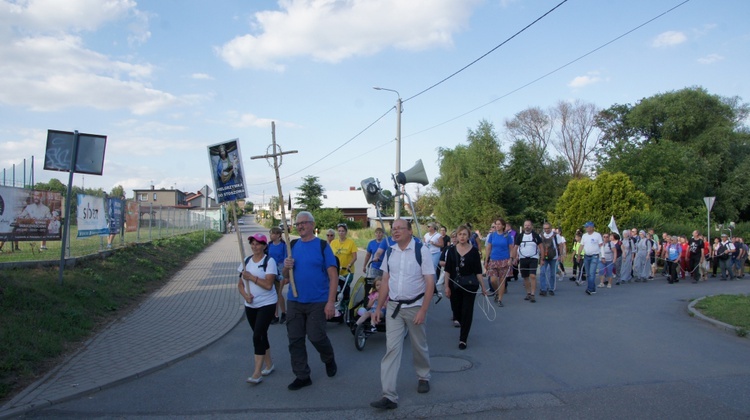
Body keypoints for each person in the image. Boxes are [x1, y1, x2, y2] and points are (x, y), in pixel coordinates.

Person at [370, 219, 435, 410]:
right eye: (393, 229)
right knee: (392, 349)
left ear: (409, 231)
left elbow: (429, 282)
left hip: (415, 306)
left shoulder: (420, 250)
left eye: (400, 228)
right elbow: (386, 281)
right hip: (394, 308)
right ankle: (389, 395)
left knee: (419, 345)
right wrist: (377, 308)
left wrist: (423, 310)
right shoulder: (390, 251)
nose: (395, 231)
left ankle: (423, 376)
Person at [282, 212, 338, 391]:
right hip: (295, 300)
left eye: (303, 223)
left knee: (316, 336)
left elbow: (333, 276)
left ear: (312, 224)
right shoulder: (292, 245)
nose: (300, 226)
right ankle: (302, 375)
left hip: (318, 301)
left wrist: (331, 302)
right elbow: (284, 276)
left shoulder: (322, 246)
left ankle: (328, 358)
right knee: (295, 340)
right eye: (297, 224)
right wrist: (286, 267)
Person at [237, 233, 278, 384]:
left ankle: (257, 373)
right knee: (261, 335)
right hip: (251, 305)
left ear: (264, 246)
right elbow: (240, 284)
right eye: (253, 243)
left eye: (258, 244)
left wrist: (252, 278)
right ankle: (269, 364)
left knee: (257, 336)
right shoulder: (246, 261)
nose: (255, 246)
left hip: (267, 304)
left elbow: (268, 285)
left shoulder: (270, 261)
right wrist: (245, 296)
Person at [445, 225, 487, 349]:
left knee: (467, 311)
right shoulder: (451, 250)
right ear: (456, 236)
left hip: (470, 285)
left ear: (468, 236)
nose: (462, 237)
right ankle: (462, 322)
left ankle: (463, 339)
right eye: (460, 234)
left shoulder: (473, 251)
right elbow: (447, 270)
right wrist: (446, 286)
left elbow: (478, 271)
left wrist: (483, 287)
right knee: (457, 311)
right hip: (455, 285)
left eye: (464, 234)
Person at [512, 220, 543, 303]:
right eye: (525, 225)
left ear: (531, 226)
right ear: (524, 226)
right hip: (523, 258)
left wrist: (542, 258)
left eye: (528, 225)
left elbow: (541, 247)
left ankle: (533, 294)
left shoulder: (536, 236)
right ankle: (528, 293)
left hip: (533, 258)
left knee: (532, 276)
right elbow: (515, 247)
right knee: (525, 277)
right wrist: (515, 258)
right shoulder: (520, 236)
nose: (527, 227)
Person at [484, 218, 513, 306]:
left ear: (503, 226)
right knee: (493, 280)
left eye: (499, 224)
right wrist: (486, 260)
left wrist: (511, 258)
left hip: (504, 260)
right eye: (496, 224)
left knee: (502, 280)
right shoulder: (492, 235)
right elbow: (488, 248)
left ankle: (500, 299)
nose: (497, 226)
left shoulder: (507, 236)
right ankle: (496, 292)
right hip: (493, 259)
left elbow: (511, 248)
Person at [267, 227, 288, 324]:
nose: (272, 236)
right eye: (271, 234)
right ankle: (275, 315)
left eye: (274, 234)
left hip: (280, 269)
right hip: (272, 269)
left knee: (279, 293)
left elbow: (285, 258)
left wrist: (286, 275)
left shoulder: (283, 245)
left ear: (279, 235)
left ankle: (284, 313)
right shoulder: (269, 245)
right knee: (273, 293)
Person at [539, 222, 563, 296]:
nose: (546, 230)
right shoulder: (541, 235)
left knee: (552, 273)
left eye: (548, 228)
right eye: (545, 228)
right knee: (542, 272)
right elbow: (539, 246)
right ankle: (543, 289)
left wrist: (560, 255)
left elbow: (560, 245)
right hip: (543, 257)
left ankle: (551, 288)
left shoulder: (556, 235)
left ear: (550, 228)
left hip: (553, 257)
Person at [578, 221, 603, 295]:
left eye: (587, 227)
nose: (586, 228)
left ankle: (590, 289)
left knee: (592, 273)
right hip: (586, 256)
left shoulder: (597, 235)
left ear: (592, 227)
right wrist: (578, 254)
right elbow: (581, 245)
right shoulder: (584, 236)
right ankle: (592, 288)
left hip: (594, 256)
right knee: (588, 273)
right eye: (585, 227)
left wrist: (603, 256)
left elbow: (601, 246)